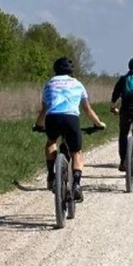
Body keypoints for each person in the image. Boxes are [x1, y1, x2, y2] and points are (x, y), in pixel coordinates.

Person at [35, 57, 106, 201]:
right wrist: (98, 124)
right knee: (76, 152)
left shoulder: (48, 84)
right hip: (71, 119)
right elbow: (87, 109)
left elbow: (44, 110)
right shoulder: (77, 84)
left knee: (51, 142)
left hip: (52, 118)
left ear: (56, 70)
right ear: (70, 71)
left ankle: (51, 175)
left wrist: (38, 125)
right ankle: (77, 185)